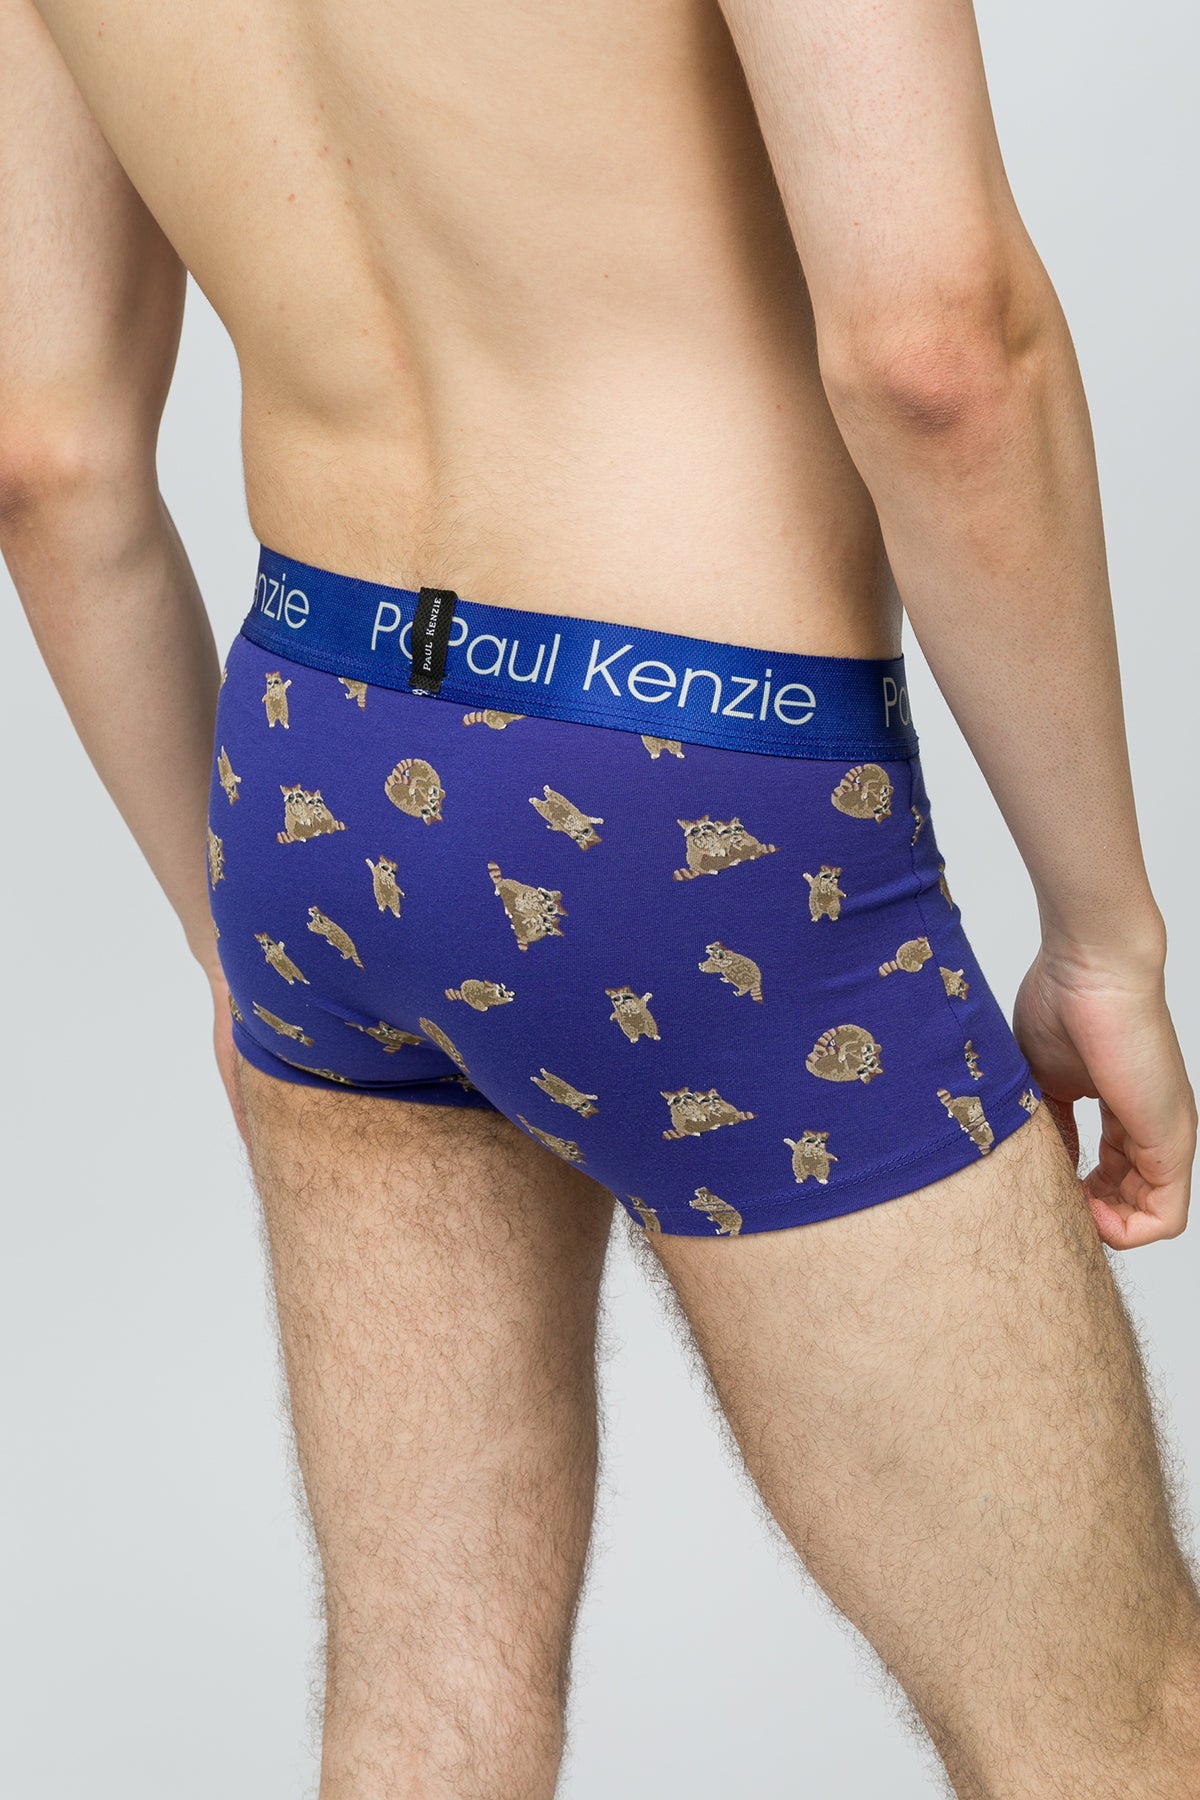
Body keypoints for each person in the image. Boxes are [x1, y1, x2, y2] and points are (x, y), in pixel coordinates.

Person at [2, 0, 1196, 1792]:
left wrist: (231, 943)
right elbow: (939, 351)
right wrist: (1104, 932)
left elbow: (48, 463)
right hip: (698, 795)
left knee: (426, 1712)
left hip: (311, 760)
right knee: (1113, 1727)